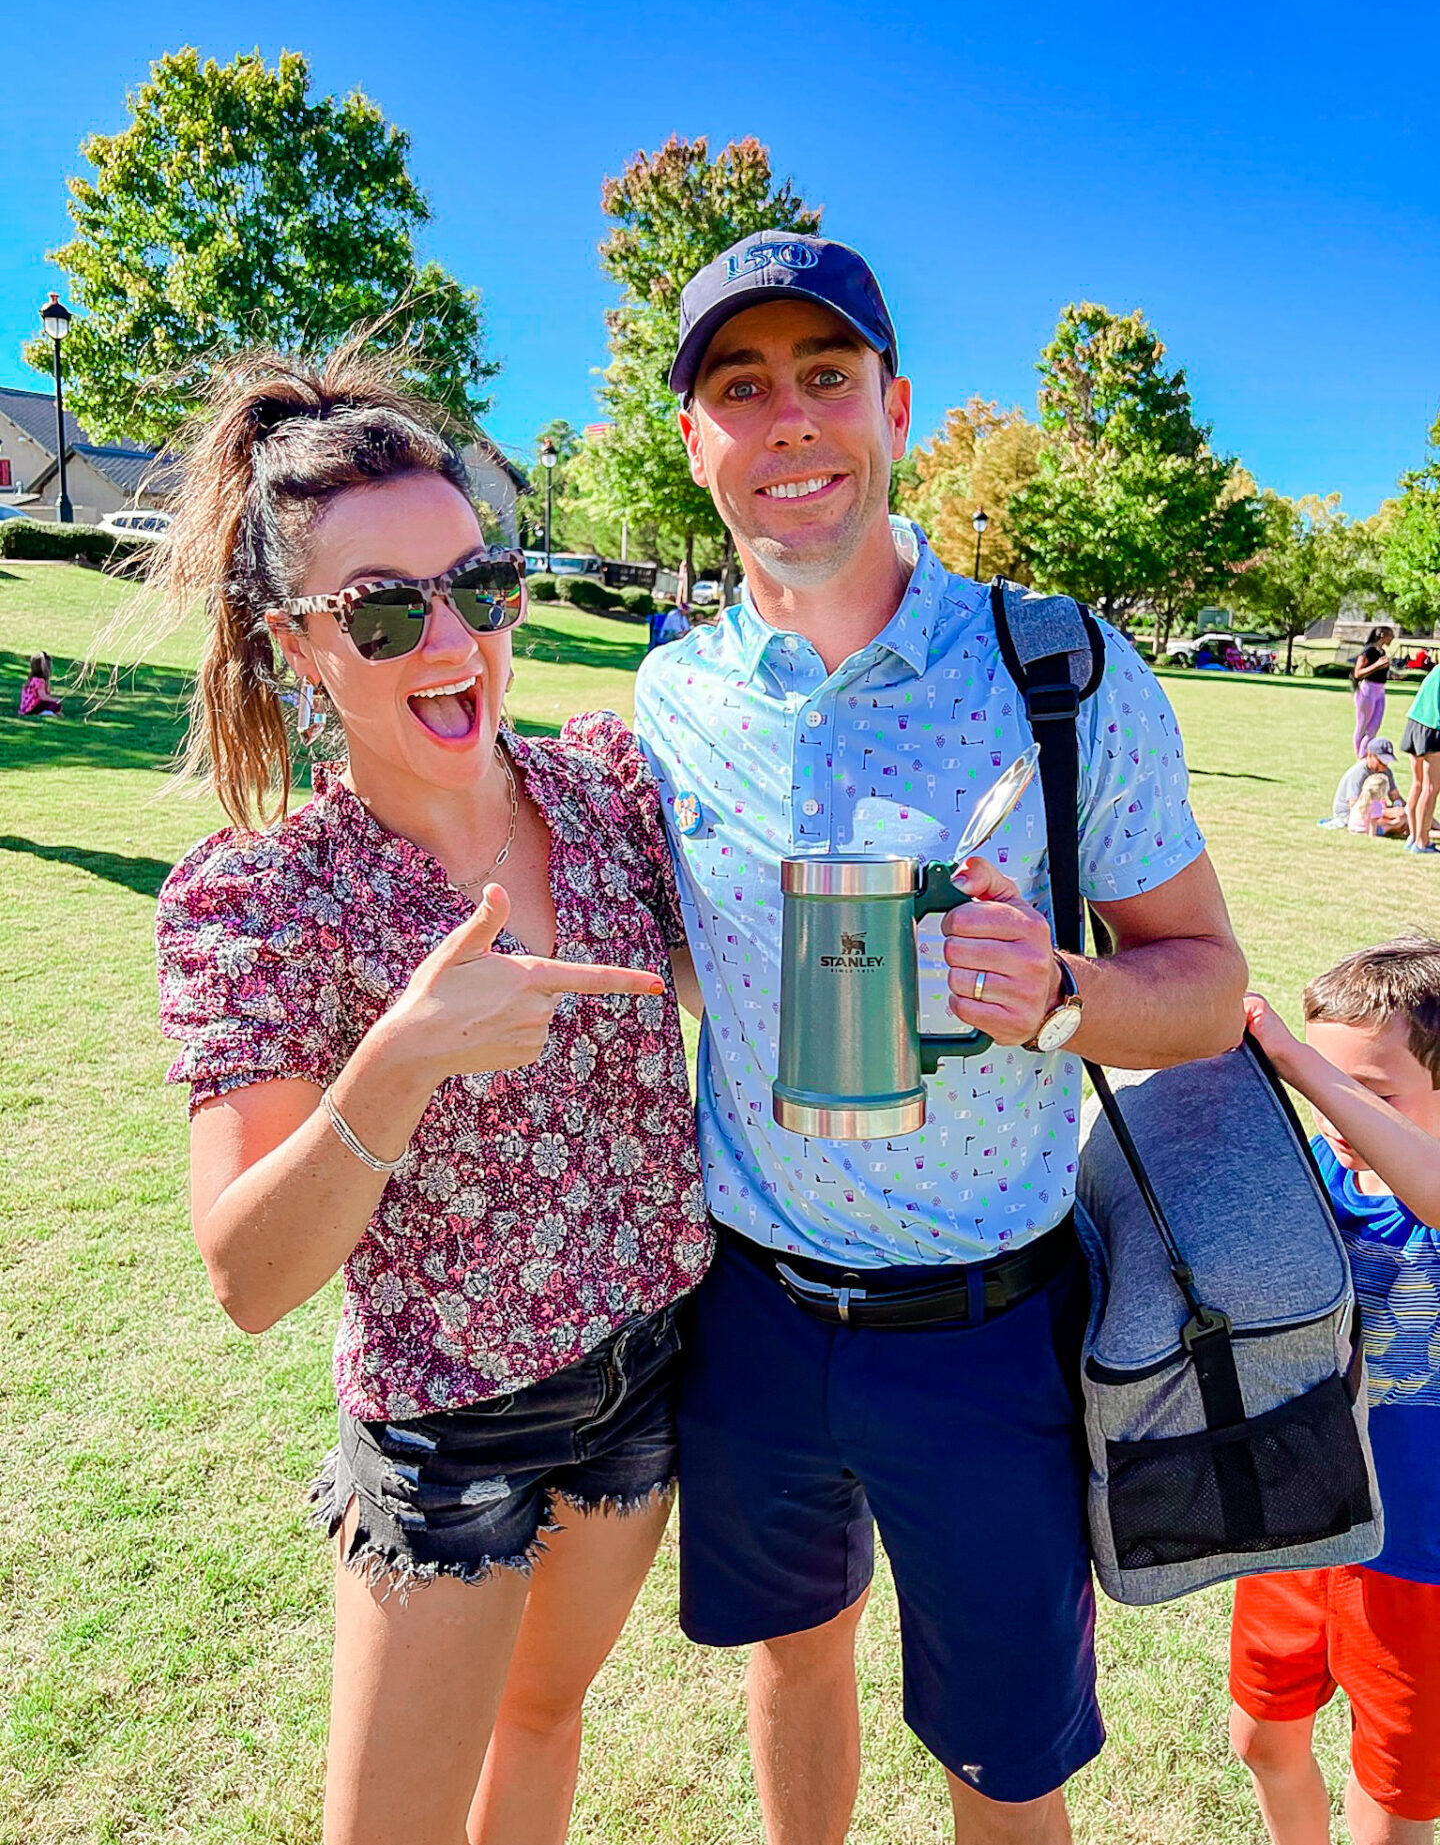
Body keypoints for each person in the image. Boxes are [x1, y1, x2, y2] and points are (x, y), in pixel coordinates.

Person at [633, 230, 1248, 1844]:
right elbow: (684, 966)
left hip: (990, 1329)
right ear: (693, 441)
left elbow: (1207, 984)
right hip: (753, 1312)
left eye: (826, 377)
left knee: (1005, 1759)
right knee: (794, 1662)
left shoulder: (1058, 671)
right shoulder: (668, 702)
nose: (791, 427)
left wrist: (1057, 987)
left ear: (896, 405)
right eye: (742, 389)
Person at [152, 345, 712, 1845]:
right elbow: (251, 1274)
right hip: (448, 1431)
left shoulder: (607, 792)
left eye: (480, 582)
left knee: (543, 1719)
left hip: (646, 1369)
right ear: (301, 644)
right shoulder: (265, 901)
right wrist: (399, 1056)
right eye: (387, 607)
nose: (451, 635)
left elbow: (742, 980)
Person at [1233, 942, 1440, 1845]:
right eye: (1320, 1095)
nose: (1335, 1113)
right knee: (1261, 1736)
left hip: (1417, 1555)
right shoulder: (1316, 1175)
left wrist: (1300, 1062)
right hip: (1296, 1522)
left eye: (1369, 1091)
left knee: (1391, 1790)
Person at [1401, 659, 1440, 854]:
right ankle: (1422, 842)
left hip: (1415, 724)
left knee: (1418, 783)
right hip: (1433, 728)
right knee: (1431, 787)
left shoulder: (1437, 670)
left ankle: (1413, 836)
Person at [1326, 739, 1403, 830]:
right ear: (1370, 755)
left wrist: (1401, 807)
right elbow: (1354, 806)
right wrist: (1386, 812)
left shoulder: (1386, 771)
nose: (1385, 766)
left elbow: (1395, 796)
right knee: (1396, 823)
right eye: (1381, 761)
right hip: (1350, 815)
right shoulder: (1358, 773)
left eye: (1387, 762)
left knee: (1403, 819)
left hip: (1373, 810)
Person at [1351, 626, 1394, 757]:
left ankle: (1364, 755)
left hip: (1380, 691)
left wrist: (1394, 675)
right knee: (1362, 726)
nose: (1392, 638)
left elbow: (1380, 672)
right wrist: (1377, 665)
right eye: (1390, 635)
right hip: (1367, 690)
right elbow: (1357, 673)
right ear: (1382, 635)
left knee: (1374, 726)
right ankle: (1360, 756)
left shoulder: (1382, 652)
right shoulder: (1368, 651)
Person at [18, 651, 62, 717]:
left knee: (52, 705)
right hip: (31, 709)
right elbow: (43, 697)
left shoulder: (31, 680)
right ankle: (46, 713)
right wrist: (55, 699)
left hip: (24, 709)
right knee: (56, 706)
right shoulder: (40, 681)